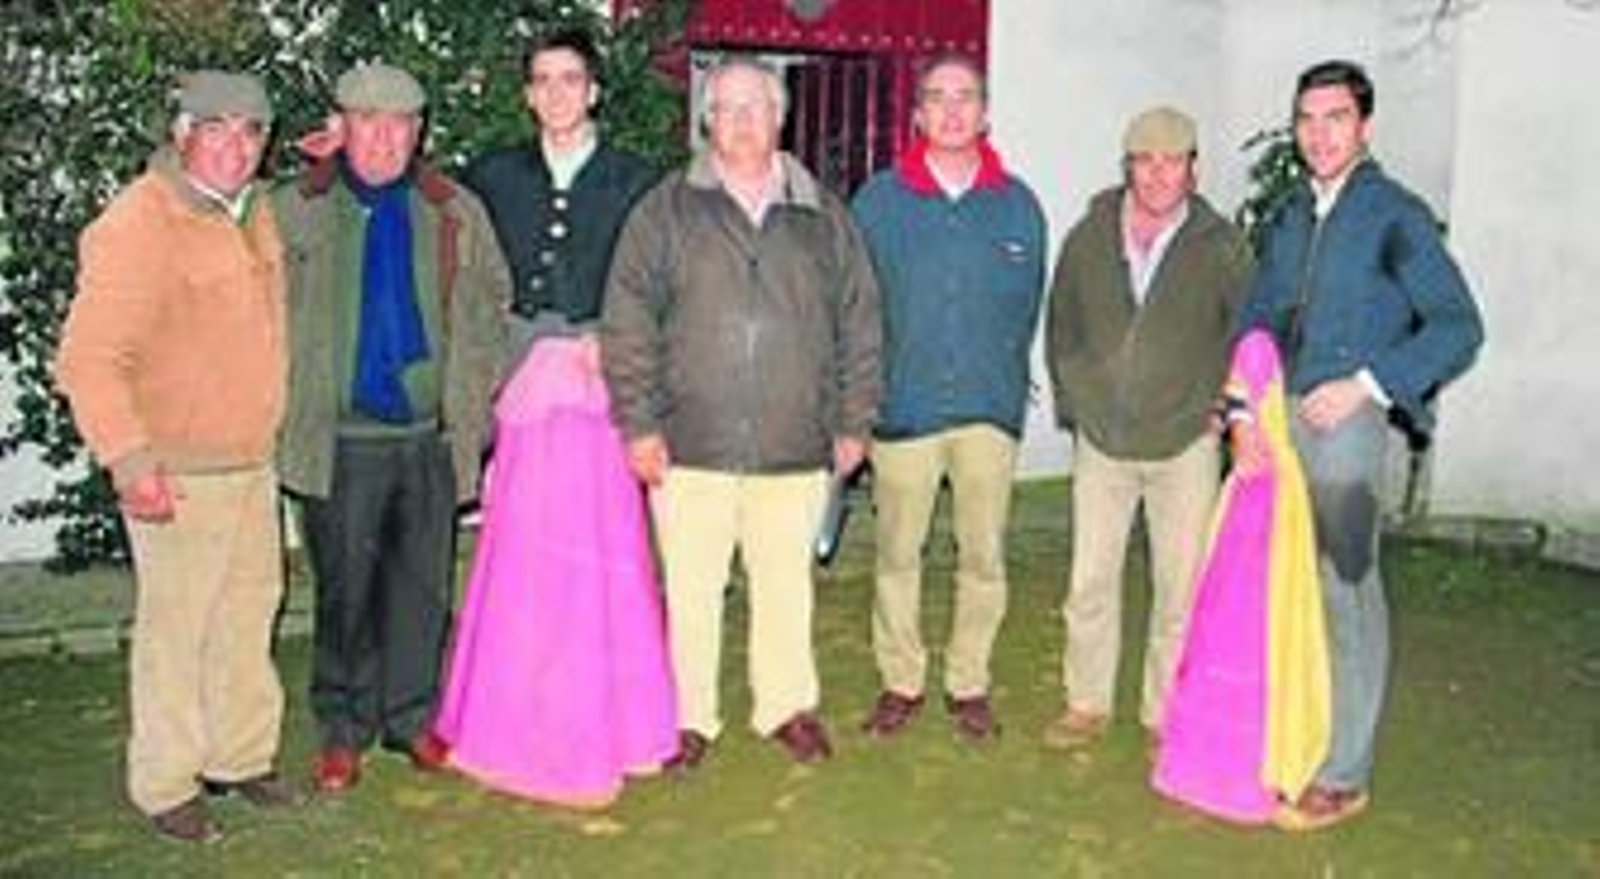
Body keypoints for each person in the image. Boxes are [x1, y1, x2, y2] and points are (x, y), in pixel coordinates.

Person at [601, 56, 881, 769]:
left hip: (795, 439)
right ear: (707, 122)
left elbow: (861, 320)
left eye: (755, 106)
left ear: (779, 116)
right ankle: (690, 716)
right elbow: (627, 322)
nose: (741, 120)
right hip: (689, 442)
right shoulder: (665, 210)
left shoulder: (822, 214)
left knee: (786, 586)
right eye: (725, 108)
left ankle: (785, 705)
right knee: (691, 590)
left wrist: (854, 420)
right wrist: (639, 424)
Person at [1233, 59, 1484, 831]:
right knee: (1284, 587)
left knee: (1346, 588)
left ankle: (1344, 774)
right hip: (1279, 426)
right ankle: (1296, 740)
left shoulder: (1394, 215)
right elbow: (1258, 318)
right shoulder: (1290, 216)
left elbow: (1458, 325)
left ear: (1364, 126)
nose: (1319, 134)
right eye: (1307, 119)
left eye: (1336, 117)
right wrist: (1242, 408)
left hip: (1345, 431)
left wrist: (1369, 384)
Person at [429, 29, 676, 808]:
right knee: (524, 554)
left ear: (594, 90)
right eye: (543, 80)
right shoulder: (492, 175)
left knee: (602, 553)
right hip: (523, 387)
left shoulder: (639, 180)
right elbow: (447, 247)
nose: (558, 92)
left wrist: (618, 340)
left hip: (601, 387)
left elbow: (663, 282)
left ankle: (608, 721)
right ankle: (518, 717)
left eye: (572, 78)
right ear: (528, 94)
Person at [55, 71, 303, 842]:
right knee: (177, 629)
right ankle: (165, 782)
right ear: (182, 133)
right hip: (176, 470)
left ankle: (241, 756)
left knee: (248, 613)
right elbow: (89, 359)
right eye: (216, 129)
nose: (235, 147)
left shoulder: (254, 211)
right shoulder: (138, 222)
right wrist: (130, 462)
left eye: (251, 132)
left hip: (250, 462)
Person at [274, 62, 510, 794]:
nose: (385, 139)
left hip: (428, 435)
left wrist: (473, 392)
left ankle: (411, 718)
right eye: (368, 122)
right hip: (340, 438)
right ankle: (343, 728)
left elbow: (491, 301)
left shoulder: (453, 209)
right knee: (345, 592)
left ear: (419, 131)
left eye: (401, 124)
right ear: (340, 127)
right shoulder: (298, 208)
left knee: (421, 587)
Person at [1042, 107, 1254, 752]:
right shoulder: (1089, 237)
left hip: (1186, 444)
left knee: (1180, 590)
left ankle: (1164, 712)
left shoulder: (1222, 247)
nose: (1159, 174)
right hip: (1103, 442)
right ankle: (1086, 703)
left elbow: (1247, 336)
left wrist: (1223, 410)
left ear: (1193, 168)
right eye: (1145, 160)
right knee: (1089, 582)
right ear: (1128, 165)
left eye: (1173, 160)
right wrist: (1078, 402)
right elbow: (1062, 325)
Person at [850, 54, 1046, 741]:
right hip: (903, 408)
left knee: (982, 557)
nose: (953, 110)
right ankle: (901, 679)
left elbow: (1026, 303)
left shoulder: (1017, 204)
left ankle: (968, 682)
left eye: (966, 97)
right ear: (918, 115)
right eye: (938, 97)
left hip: (989, 410)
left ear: (985, 113)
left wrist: (1004, 379)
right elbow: (856, 305)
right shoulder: (879, 202)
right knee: (897, 557)